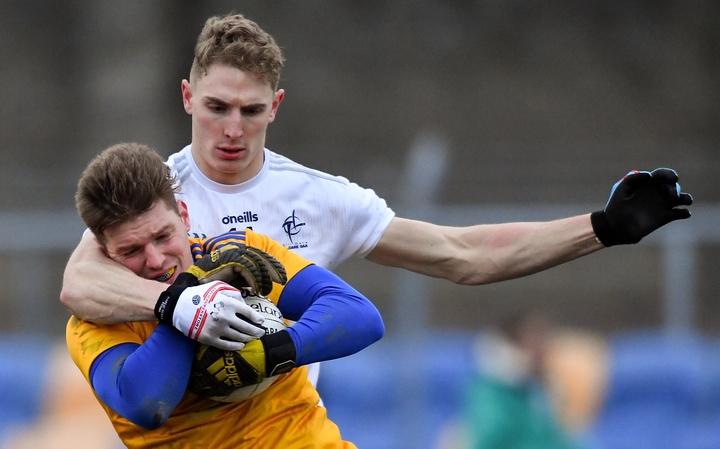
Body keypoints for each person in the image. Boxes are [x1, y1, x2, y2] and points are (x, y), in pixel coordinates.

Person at [59, 13, 693, 389]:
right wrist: (182, 305)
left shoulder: (318, 199)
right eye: (217, 107)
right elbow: (79, 281)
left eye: (251, 111)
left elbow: (462, 254)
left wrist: (601, 228)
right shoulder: (154, 196)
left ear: (274, 108)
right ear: (186, 97)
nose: (232, 129)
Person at [66, 142, 384, 448]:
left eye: (163, 236)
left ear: (185, 216)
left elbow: (360, 315)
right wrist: (189, 302)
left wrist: (275, 352)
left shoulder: (236, 256)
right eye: (131, 250)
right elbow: (146, 405)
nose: (155, 260)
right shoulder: (94, 323)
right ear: (103, 251)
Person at [459, 310, 586, 449]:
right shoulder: (489, 393)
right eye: (535, 341)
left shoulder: (535, 390)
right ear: (512, 348)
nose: (542, 350)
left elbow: (557, 439)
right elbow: (490, 439)